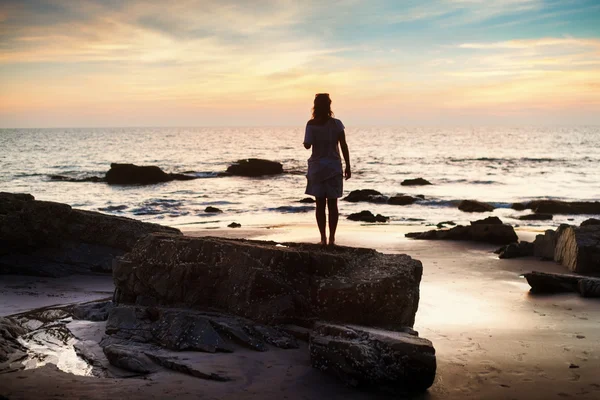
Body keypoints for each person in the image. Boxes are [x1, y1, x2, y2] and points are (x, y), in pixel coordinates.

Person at [303, 93, 351, 246]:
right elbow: (343, 145)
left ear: (315, 106)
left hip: (317, 168)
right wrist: (348, 165)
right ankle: (332, 239)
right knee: (333, 204)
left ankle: (323, 238)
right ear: (329, 106)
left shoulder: (311, 124)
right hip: (333, 167)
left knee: (320, 205)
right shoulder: (337, 124)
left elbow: (307, 145)